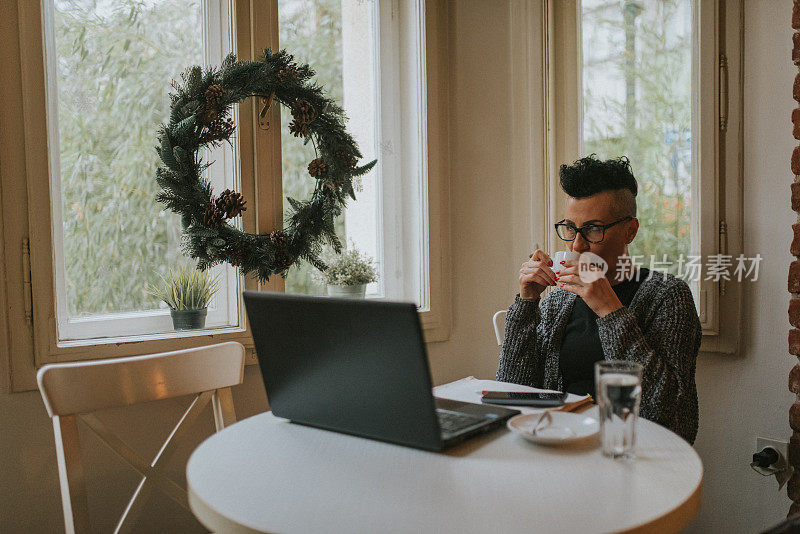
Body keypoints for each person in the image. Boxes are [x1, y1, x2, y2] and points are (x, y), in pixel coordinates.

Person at [496, 155, 701, 444]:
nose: (577, 244)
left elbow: (673, 418)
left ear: (630, 231)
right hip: (559, 447)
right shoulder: (559, 300)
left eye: (593, 229)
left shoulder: (668, 296)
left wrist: (610, 310)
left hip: (631, 456)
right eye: (570, 228)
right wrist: (526, 304)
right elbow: (513, 393)